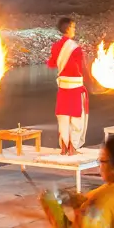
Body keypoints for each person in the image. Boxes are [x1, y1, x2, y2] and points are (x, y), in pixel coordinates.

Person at [48, 17, 89, 155]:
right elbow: (82, 68)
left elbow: (51, 64)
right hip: (76, 87)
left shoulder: (55, 46)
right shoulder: (75, 48)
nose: (74, 30)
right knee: (77, 117)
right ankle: (73, 147)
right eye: (73, 27)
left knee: (63, 116)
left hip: (63, 87)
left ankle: (64, 147)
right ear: (68, 28)